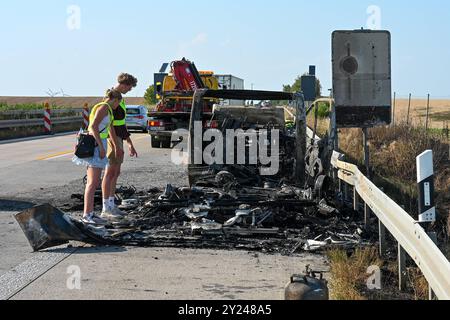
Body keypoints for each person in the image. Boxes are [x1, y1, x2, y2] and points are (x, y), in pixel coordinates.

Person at [72, 89, 124, 224]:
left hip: (100, 144)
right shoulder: (103, 107)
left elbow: (110, 129)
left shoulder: (108, 110)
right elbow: (93, 127)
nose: (118, 105)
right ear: (115, 100)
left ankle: (89, 214)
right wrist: (101, 146)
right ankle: (87, 215)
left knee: (94, 182)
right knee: (92, 183)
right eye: (119, 102)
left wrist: (116, 146)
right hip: (95, 145)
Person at [102, 73, 138, 216]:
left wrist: (129, 142)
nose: (129, 90)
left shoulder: (119, 98)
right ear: (124, 84)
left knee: (116, 172)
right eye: (129, 87)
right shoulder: (111, 97)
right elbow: (110, 123)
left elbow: (121, 124)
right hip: (112, 138)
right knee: (109, 172)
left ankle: (111, 204)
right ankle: (106, 207)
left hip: (119, 137)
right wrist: (115, 144)